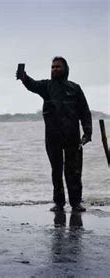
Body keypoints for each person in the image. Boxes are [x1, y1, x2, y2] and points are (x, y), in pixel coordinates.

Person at [17, 57, 92, 212]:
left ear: (65, 69)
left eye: (58, 67)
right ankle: (59, 203)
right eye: (52, 67)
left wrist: (88, 132)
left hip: (72, 136)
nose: (54, 69)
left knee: (74, 171)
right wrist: (23, 76)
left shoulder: (75, 88)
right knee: (56, 170)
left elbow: (84, 111)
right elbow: (32, 84)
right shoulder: (46, 86)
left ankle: (76, 203)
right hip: (53, 136)